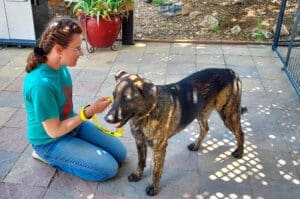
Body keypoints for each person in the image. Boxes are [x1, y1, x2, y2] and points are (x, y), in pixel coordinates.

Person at [23, 16, 127, 181]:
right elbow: (54, 131)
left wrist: (88, 112)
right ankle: (48, 157)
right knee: (109, 168)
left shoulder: (59, 66)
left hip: (71, 126)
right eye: (77, 48)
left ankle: (75, 148)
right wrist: (89, 112)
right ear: (58, 49)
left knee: (121, 154)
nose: (82, 53)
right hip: (49, 141)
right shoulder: (40, 85)